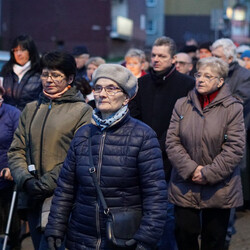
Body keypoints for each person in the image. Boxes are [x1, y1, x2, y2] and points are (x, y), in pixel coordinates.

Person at [44, 64, 168, 250]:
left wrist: (147, 238)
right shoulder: (83, 134)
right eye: (98, 88)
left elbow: (155, 195)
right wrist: (55, 226)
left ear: (126, 97)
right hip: (81, 236)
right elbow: (66, 188)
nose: (102, 94)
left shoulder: (143, 135)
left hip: (123, 237)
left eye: (111, 88)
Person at [8, 51, 93, 250]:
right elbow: (16, 149)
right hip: (31, 197)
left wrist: (46, 183)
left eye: (56, 75)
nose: (49, 80)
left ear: (70, 78)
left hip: (63, 199)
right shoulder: (30, 109)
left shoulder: (82, 111)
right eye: (45, 74)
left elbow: (78, 155)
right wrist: (26, 180)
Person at [166, 57, 245, 250]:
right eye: (198, 74)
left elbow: (235, 147)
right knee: (184, 235)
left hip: (220, 186)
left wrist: (208, 173)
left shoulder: (233, 108)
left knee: (214, 239)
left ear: (220, 81)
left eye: (208, 76)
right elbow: (172, 141)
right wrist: (192, 170)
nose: (200, 79)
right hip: (185, 183)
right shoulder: (182, 104)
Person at [129, 36, 195, 250]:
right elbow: (134, 116)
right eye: (154, 55)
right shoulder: (141, 83)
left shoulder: (187, 84)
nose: (156, 59)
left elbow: (185, 122)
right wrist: (143, 145)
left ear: (173, 58)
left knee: (166, 213)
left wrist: (161, 145)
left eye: (162, 56)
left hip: (172, 157)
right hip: (143, 154)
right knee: (144, 209)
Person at [211, 38, 250, 249]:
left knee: (228, 186)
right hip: (208, 138)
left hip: (232, 139)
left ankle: (225, 234)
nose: (212, 60)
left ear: (229, 57)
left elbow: (236, 102)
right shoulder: (211, 73)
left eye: (216, 57)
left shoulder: (244, 76)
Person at [0, 86, 21, 250]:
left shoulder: (13, 114)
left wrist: (10, 167)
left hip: (6, 174)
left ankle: (14, 246)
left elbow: (19, 144)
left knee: (10, 220)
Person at [0, 34, 42, 110]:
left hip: (30, 118)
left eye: (22, 50)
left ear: (30, 51)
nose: (18, 54)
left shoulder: (39, 72)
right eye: (15, 50)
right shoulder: (6, 71)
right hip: (9, 118)